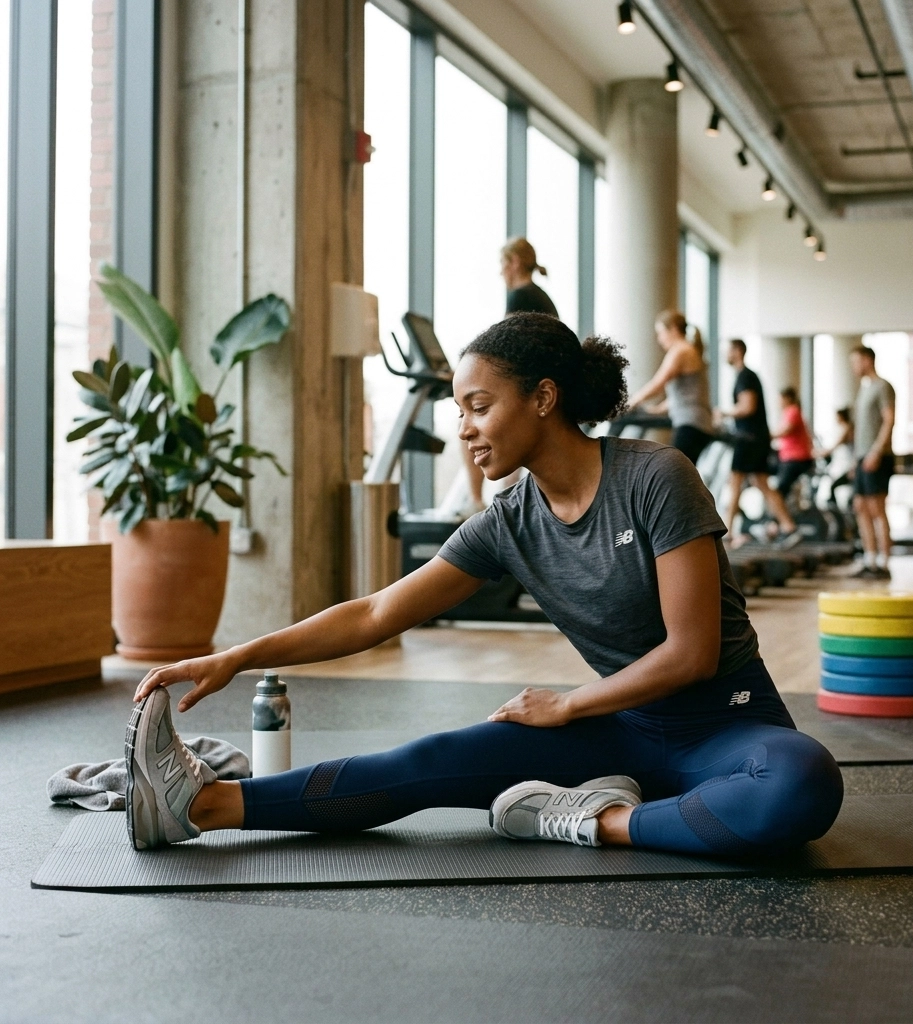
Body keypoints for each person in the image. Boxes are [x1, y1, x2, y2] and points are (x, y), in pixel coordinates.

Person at [126, 313, 843, 861]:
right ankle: (199, 805)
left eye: (478, 405)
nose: (465, 429)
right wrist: (236, 657)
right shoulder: (508, 522)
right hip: (623, 735)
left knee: (801, 782)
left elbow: (692, 655)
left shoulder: (655, 478)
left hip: (729, 727)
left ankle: (591, 820)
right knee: (430, 761)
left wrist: (566, 705)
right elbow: (377, 613)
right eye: (460, 412)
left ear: (543, 398)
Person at [461, 238, 559, 516]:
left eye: (502, 265)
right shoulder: (538, 295)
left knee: (471, 427)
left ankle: (476, 504)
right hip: (536, 389)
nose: (501, 272)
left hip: (528, 391)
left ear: (514, 263)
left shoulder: (521, 295)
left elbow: (503, 349)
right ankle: (503, 507)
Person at [720, 339, 799, 546]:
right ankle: (788, 526)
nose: (725, 355)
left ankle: (727, 531)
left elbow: (747, 407)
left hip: (750, 439)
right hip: (756, 438)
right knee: (761, 482)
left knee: (736, 480)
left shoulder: (745, 376)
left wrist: (723, 413)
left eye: (727, 351)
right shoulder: (745, 376)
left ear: (738, 351)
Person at [625, 310, 715, 465]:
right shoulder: (688, 349)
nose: (659, 339)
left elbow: (658, 383)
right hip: (697, 423)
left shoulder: (680, 350)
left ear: (673, 329)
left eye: (661, 333)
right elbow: (684, 395)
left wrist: (631, 402)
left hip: (691, 424)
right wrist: (656, 410)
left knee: (672, 472)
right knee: (680, 476)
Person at [850, 345, 896, 580]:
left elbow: (889, 420)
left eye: (856, 361)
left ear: (867, 360)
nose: (853, 366)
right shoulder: (864, 389)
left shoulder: (883, 386)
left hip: (878, 456)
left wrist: (876, 452)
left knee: (877, 508)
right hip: (861, 456)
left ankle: (884, 562)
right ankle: (870, 559)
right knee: (860, 507)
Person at [772, 387, 814, 501]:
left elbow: (786, 430)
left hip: (795, 459)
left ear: (788, 398)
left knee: (781, 490)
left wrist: (767, 436)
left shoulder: (793, 411)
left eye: (780, 399)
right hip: (787, 457)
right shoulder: (788, 412)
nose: (779, 403)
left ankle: (777, 517)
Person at [502, 237, 558, 317]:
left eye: (502, 263)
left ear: (515, 262)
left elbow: (509, 329)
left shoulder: (519, 297)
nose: (501, 272)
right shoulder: (540, 296)